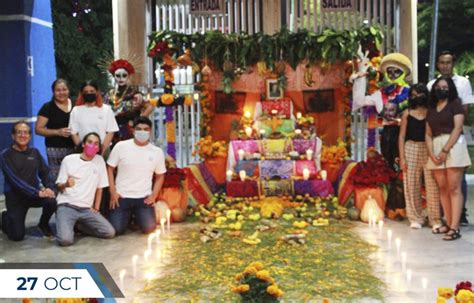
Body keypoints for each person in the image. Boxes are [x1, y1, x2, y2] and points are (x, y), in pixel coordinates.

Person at [427, 50, 474, 226]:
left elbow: (465, 109)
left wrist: (454, 124)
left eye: (448, 62)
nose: (445, 65)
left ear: (452, 64)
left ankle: (459, 215)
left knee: (457, 181)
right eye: (442, 62)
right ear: (438, 64)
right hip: (437, 136)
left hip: (455, 135)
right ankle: (445, 216)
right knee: (442, 184)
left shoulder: (463, 83)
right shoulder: (432, 84)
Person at [107, 116, 166, 235]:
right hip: (121, 197)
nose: (142, 132)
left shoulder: (157, 152)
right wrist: (112, 191)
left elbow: (160, 176)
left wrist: (153, 196)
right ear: (133, 130)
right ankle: (129, 218)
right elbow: (110, 168)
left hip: (143, 198)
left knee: (149, 229)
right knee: (116, 230)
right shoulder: (121, 146)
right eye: (139, 129)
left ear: (150, 131)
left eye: (146, 129)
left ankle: (135, 218)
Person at [55, 132, 115, 246]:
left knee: (109, 232)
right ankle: (65, 222)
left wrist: (96, 207)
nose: (92, 146)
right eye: (90, 142)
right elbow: (59, 186)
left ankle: (79, 226)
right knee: (65, 240)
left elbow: (100, 188)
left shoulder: (99, 161)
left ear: (98, 148)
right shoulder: (69, 159)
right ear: (83, 144)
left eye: (96, 144)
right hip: (67, 205)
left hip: (86, 209)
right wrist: (66, 184)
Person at [0, 121, 57, 241]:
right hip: (16, 198)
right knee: (17, 236)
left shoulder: (34, 152)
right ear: (13, 136)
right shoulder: (5, 155)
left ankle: (43, 224)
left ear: (30, 136)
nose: (22, 135)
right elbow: (15, 181)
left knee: (52, 201)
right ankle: (5, 218)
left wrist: (49, 188)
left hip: (33, 195)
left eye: (26, 133)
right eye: (19, 132)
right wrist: (37, 193)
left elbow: (45, 172)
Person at [398, 83, 441, 230]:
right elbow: (401, 136)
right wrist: (402, 157)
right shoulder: (407, 113)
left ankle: (435, 219)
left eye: (420, 94)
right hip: (411, 147)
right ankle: (415, 218)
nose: (417, 98)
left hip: (429, 148)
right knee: (411, 184)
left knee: (432, 184)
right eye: (413, 95)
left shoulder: (432, 112)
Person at [104, 59, 154, 145]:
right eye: (118, 75)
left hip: (129, 130)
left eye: (124, 75)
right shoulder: (109, 94)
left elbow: (150, 107)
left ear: (128, 76)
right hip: (113, 131)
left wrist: (139, 121)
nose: (121, 78)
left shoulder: (134, 93)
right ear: (114, 76)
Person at [36, 79, 75, 180]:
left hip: (76, 148)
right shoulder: (47, 107)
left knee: (74, 177)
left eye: (64, 89)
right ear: (53, 92)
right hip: (55, 150)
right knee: (59, 179)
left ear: (69, 90)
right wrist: (58, 132)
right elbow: (38, 129)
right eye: (58, 90)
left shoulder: (76, 105)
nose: (61, 93)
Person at [69, 80, 119, 156]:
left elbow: (111, 131)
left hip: (103, 150)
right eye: (86, 92)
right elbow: (73, 133)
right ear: (82, 94)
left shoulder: (106, 109)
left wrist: (102, 149)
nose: (89, 93)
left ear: (97, 92)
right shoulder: (76, 110)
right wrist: (82, 149)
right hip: (83, 151)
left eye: (92, 91)